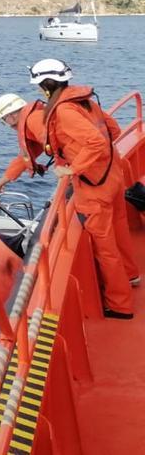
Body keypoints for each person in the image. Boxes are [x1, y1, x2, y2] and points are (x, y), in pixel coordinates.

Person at [11, 59, 137, 317]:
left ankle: (120, 305)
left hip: (93, 185)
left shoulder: (63, 112)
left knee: (105, 246)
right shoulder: (85, 101)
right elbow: (112, 130)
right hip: (112, 174)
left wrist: (72, 168)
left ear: (45, 88)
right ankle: (131, 275)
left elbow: (94, 143)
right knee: (120, 229)